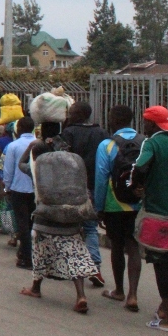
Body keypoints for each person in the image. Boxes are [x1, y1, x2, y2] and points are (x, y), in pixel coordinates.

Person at [18, 104, 97, 314]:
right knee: (74, 254)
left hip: (46, 217)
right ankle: (80, 294)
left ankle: (36, 287)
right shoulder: (73, 162)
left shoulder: (38, 167)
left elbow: (21, 164)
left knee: (41, 251)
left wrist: (31, 148)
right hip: (72, 217)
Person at [131, 105, 168, 333]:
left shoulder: (152, 143)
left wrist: (137, 186)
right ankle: (164, 307)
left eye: (146, 122)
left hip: (156, 212)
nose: (144, 126)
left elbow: (141, 167)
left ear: (152, 124)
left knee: (160, 263)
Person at [94, 105, 142, 312]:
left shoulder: (106, 145)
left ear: (112, 120)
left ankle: (119, 290)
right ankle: (133, 294)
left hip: (114, 204)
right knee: (134, 247)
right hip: (138, 204)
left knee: (116, 246)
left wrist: (99, 207)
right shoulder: (144, 142)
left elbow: (101, 178)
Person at [62, 100, 109, 287]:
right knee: (90, 228)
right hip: (94, 186)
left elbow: (60, 158)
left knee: (71, 229)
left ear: (79, 114)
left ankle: (74, 267)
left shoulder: (69, 133)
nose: (69, 114)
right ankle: (95, 266)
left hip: (73, 187)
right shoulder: (101, 133)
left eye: (71, 112)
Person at [3, 117, 37, 269]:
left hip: (19, 189)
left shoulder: (14, 146)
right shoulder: (39, 144)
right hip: (36, 190)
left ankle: (27, 257)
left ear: (20, 128)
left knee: (22, 224)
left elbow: (8, 169)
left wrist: (7, 188)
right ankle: (26, 253)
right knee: (32, 224)